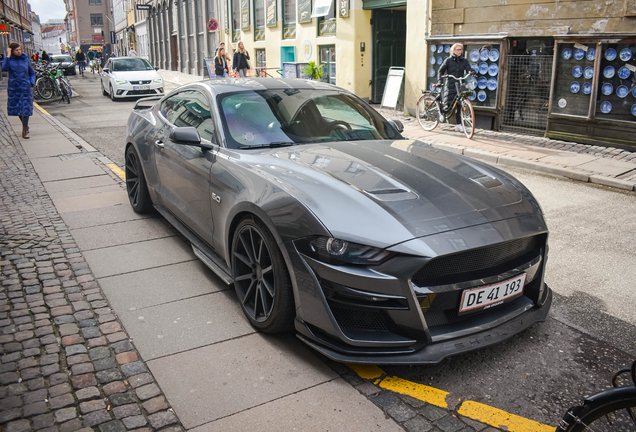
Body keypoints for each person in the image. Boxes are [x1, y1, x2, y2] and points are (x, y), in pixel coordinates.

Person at [2, 42, 36, 139]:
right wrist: (7, 56)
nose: (19, 51)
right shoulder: (10, 60)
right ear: (12, 51)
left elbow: (31, 73)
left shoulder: (25, 60)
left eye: (20, 49)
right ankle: (25, 125)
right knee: (17, 109)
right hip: (14, 88)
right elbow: (4, 68)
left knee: (26, 109)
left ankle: (24, 130)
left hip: (25, 88)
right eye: (17, 50)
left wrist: (31, 82)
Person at [437, 43, 473, 132]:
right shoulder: (448, 60)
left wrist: (472, 72)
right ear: (453, 50)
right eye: (458, 49)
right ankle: (440, 115)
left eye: (461, 49)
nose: (460, 51)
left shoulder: (464, 61)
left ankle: (459, 124)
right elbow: (440, 71)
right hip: (451, 84)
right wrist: (440, 82)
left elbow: (468, 69)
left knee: (460, 105)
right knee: (449, 104)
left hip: (461, 85)